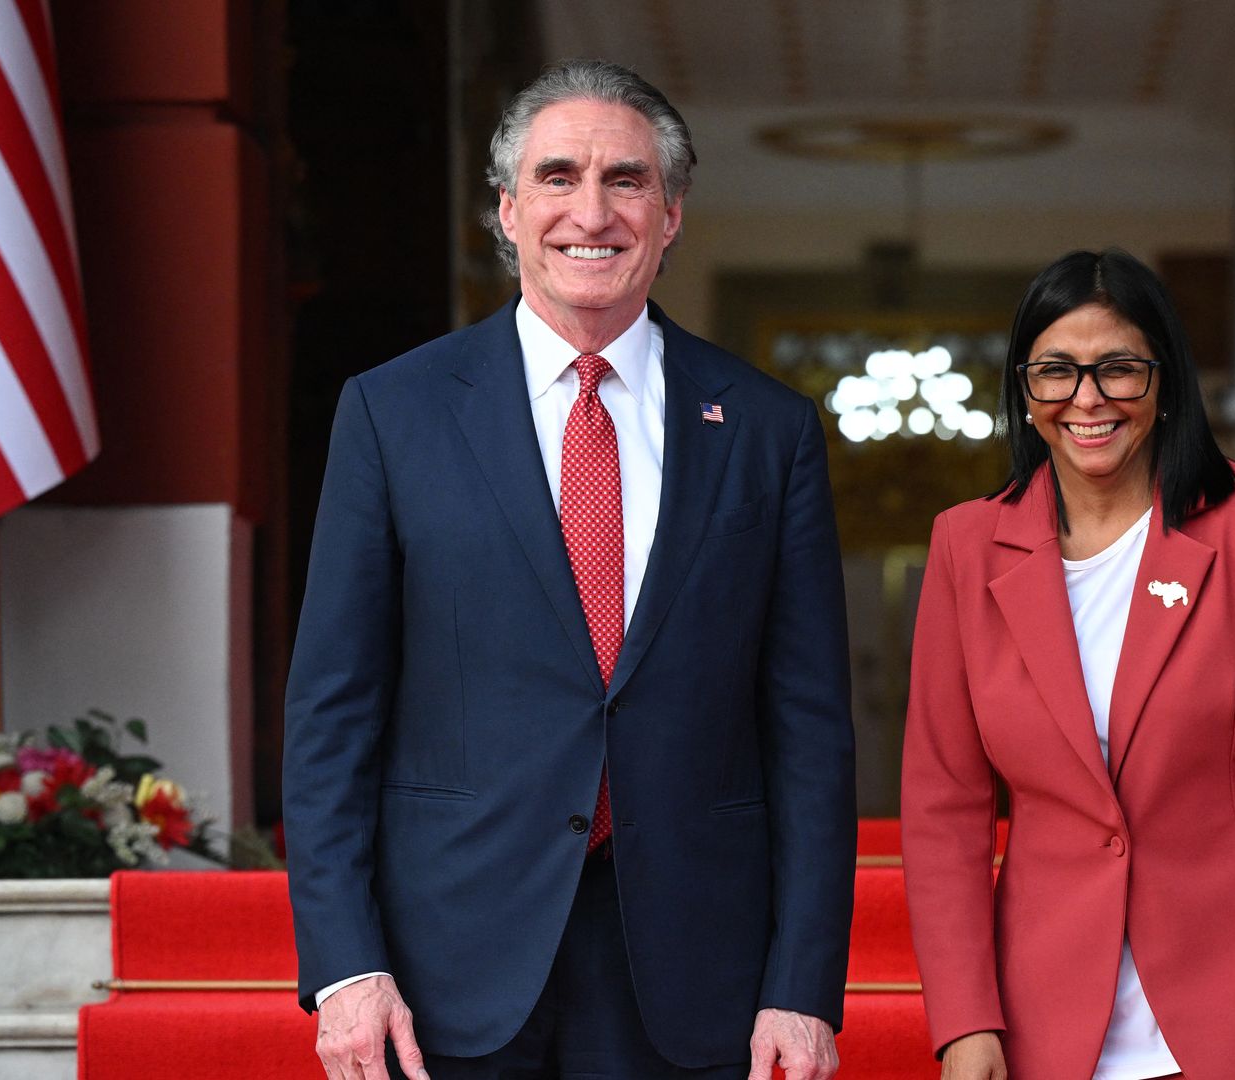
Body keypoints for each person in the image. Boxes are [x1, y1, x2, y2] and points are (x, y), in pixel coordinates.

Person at [282, 59, 855, 1080]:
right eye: (556, 178)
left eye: (626, 181)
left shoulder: (768, 430)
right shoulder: (393, 413)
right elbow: (333, 712)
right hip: (444, 969)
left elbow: (809, 733)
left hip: (693, 969)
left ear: (671, 214)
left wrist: (802, 988)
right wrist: (345, 968)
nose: (590, 212)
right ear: (506, 210)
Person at [900, 249, 1235, 1080]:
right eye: (1056, 372)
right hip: (1041, 1011)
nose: (1087, 399)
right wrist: (965, 1020)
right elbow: (945, 805)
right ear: (1024, 388)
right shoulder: (965, 547)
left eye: (1117, 368)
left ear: (1164, 382)